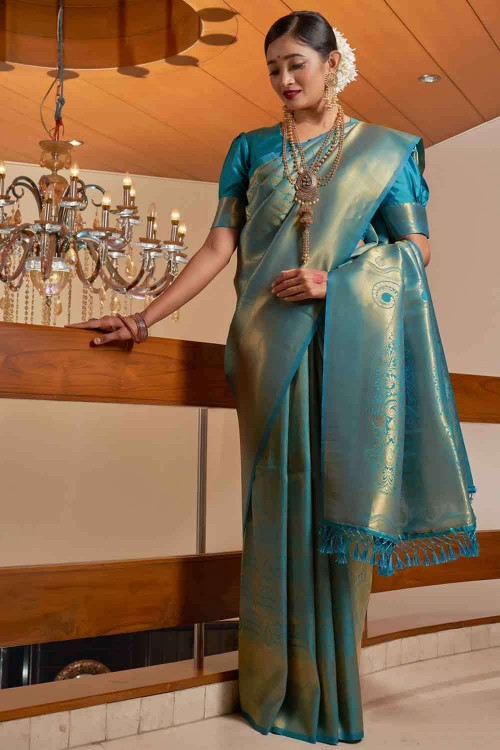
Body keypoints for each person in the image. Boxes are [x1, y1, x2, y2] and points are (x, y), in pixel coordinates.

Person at [66, 11, 478, 745]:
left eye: (296, 65)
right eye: (274, 71)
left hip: (348, 354)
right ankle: (275, 688)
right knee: (276, 508)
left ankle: (329, 689)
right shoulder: (250, 149)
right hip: (264, 352)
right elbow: (217, 248)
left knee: (340, 500)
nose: (285, 81)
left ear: (332, 64)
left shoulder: (384, 151)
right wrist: (145, 318)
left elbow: (415, 250)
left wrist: (335, 284)